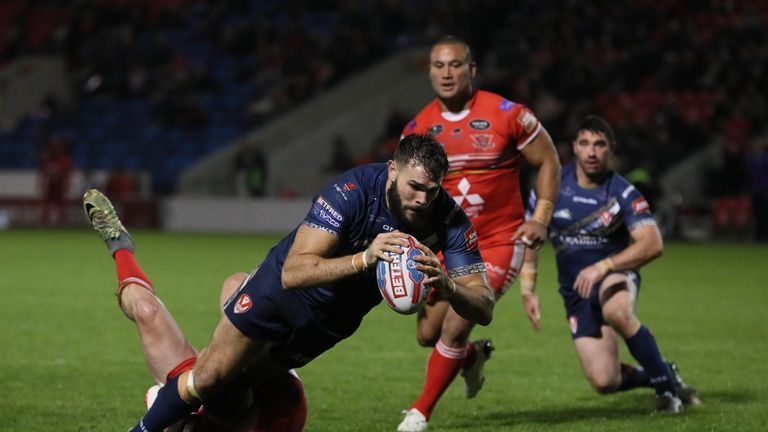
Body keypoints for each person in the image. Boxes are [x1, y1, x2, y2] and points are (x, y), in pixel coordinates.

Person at [86, 133, 495, 432]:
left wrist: (447, 284)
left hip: (328, 323)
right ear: (392, 172)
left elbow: (484, 305)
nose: (423, 199)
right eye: (415, 187)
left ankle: (172, 399)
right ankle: (152, 415)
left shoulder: (447, 220)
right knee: (211, 379)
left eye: (432, 190)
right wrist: (365, 257)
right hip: (280, 294)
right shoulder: (352, 191)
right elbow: (293, 272)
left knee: (227, 378)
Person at [397, 36, 561, 431]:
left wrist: (540, 217)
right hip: (447, 244)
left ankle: (419, 413)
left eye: (455, 65)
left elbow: (549, 161)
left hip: (500, 241)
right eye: (438, 66)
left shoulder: (509, 115)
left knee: (456, 324)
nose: (446, 73)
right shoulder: (417, 129)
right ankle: (471, 358)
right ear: (430, 72)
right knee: (427, 334)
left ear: (471, 70)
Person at [84, 189, 307, 432]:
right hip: (254, 391)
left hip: (209, 395)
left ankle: (120, 246)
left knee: (146, 309)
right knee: (235, 285)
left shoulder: (188, 408)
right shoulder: (281, 412)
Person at [520, 115, 700, 413]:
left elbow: (652, 244)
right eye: (585, 144)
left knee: (617, 311)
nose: (592, 152)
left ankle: (668, 394)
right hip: (575, 293)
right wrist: (528, 290)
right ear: (574, 147)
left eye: (600, 145)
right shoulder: (550, 187)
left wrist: (604, 267)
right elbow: (532, 236)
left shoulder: (622, 192)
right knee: (605, 381)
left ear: (611, 149)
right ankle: (662, 372)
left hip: (614, 277)